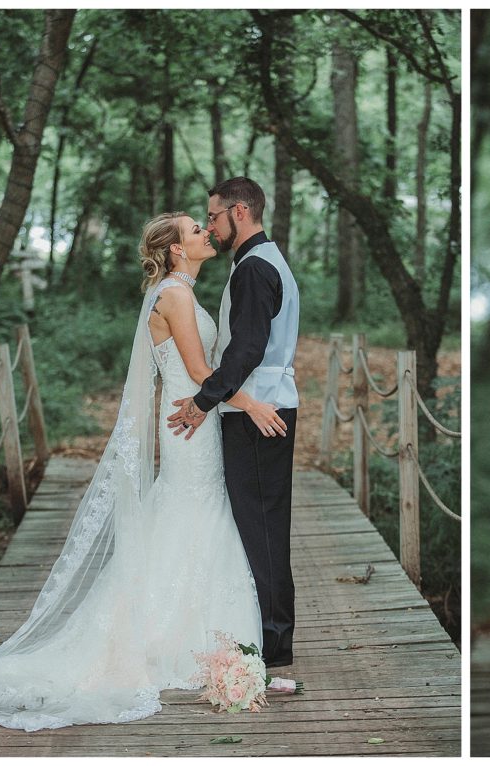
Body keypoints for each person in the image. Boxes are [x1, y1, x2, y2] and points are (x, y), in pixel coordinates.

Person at [0, 213, 286, 730]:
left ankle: (199, 635)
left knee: (195, 513)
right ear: (176, 249)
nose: (206, 233)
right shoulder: (174, 296)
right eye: (195, 230)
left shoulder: (182, 291)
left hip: (196, 416)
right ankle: (170, 639)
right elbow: (199, 371)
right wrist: (251, 404)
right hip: (189, 422)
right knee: (190, 508)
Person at [167, 177, 300, 669]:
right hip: (262, 408)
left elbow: (246, 350)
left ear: (239, 212)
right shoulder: (264, 260)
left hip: (258, 415)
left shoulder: (254, 268)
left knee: (262, 530)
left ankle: (274, 645)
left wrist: (203, 401)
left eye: (214, 216)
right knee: (262, 526)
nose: (212, 227)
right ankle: (267, 636)